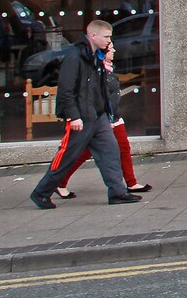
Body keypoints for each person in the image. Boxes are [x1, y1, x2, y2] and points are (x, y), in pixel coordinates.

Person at [29, 19, 139, 208]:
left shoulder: (97, 56)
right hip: (82, 117)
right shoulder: (75, 57)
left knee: (110, 152)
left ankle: (117, 192)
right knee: (67, 155)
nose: (109, 41)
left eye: (109, 37)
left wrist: (107, 112)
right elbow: (66, 89)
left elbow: (100, 88)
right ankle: (41, 192)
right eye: (106, 37)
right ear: (93, 36)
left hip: (99, 115)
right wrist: (73, 116)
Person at [50, 34, 147, 199]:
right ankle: (57, 182)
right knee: (83, 153)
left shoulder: (107, 68)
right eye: (111, 48)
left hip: (111, 116)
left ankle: (130, 183)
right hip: (102, 118)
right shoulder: (95, 68)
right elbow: (88, 95)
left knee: (122, 147)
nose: (114, 50)